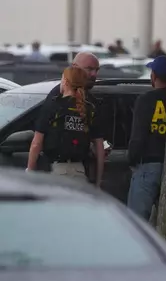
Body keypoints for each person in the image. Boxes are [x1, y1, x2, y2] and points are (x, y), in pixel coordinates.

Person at [26, 67, 104, 186]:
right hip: (80, 173)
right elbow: (99, 147)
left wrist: (29, 171)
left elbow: (36, 143)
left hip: (57, 174)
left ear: (66, 82)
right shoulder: (90, 109)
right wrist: (98, 182)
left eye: (62, 79)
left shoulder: (54, 105)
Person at [47, 52, 107, 180]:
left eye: (96, 70)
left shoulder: (91, 102)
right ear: (74, 67)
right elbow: (40, 136)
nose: (94, 74)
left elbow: (99, 143)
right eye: (90, 69)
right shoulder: (56, 99)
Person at [126, 56, 166, 220]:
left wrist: (132, 159)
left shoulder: (146, 100)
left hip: (148, 165)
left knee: (137, 221)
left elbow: (138, 135)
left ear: (154, 76)